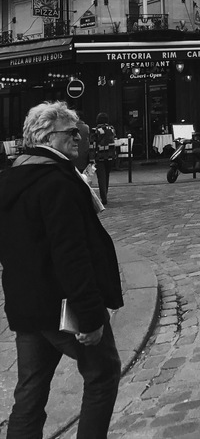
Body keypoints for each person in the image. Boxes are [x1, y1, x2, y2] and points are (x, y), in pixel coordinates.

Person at [0, 100, 123, 439]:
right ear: (47, 137)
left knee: (29, 393)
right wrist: (90, 315)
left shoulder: (11, 178)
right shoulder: (57, 182)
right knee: (103, 374)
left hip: (26, 304)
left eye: (78, 131)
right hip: (62, 307)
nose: (78, 138)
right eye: (70, 132)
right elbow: (72, 255)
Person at [91, 112, 117, 206]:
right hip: (110, 155)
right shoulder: (112, 129)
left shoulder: (96, 130)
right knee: (107, 175)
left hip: (100, 156)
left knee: (101, 177)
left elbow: (93, 145)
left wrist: (91, 157)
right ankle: (105, 193)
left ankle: (103, 197)